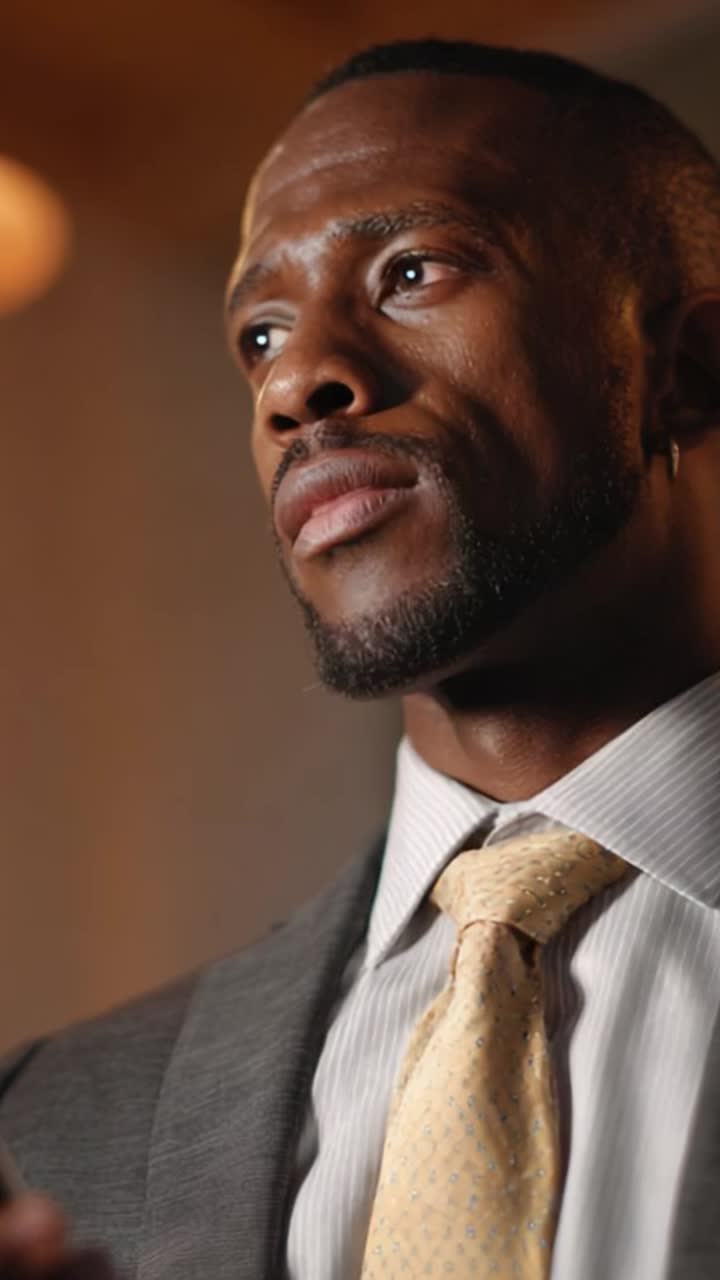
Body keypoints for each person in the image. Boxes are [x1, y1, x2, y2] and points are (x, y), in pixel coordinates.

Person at [2, 35, 720, 1280]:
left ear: (689, 368)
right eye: (261, 335)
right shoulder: (49, 1121)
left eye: (410, 270)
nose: (297, 386)